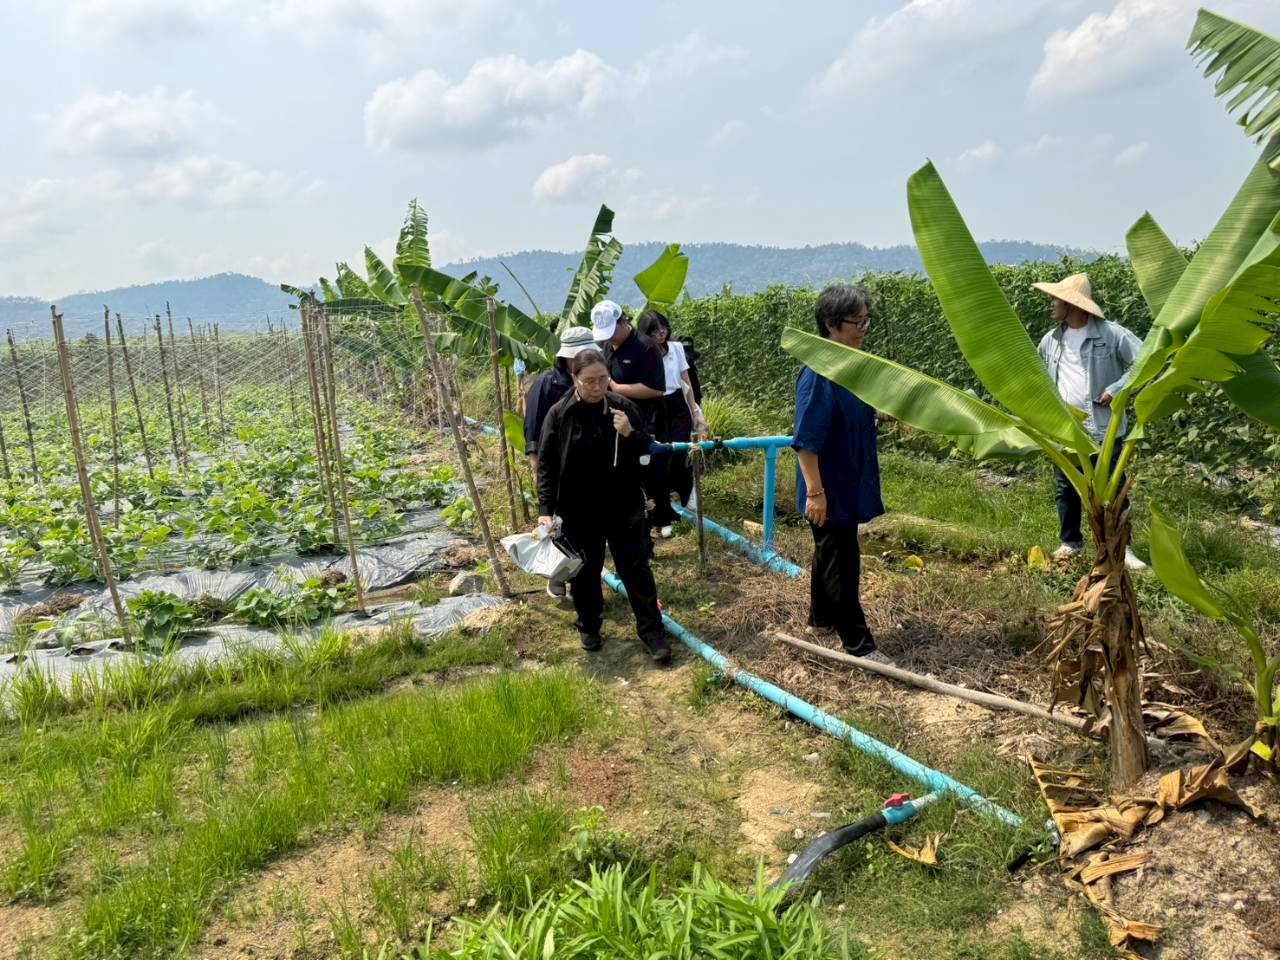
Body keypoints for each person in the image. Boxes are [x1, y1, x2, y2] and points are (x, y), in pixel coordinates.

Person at [536, 348, 672, 663]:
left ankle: (653, 634)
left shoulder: (623, 409)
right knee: (584, 572)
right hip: (578, 509)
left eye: (603, 379)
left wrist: (629, 433)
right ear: (574, 378)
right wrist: (546, 510)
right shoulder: (560, 414)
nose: (597, 387)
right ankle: (589, 626)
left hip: (622, 506)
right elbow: (547, 465)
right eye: (589, 381)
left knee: (636, 571)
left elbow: (647, 453)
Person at [793, 284, 892, 665]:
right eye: (857, 322)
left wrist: (877, 412)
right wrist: (816, 493)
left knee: (829, 553)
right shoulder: (820, 372)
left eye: (867, 320)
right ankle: (859, 645)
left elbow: (851, 412)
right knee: (843, 561)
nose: (864, 328)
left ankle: (820, 622)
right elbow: (806, 441)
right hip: (828, 484)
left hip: (846, 480)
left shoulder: (851, 367)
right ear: (832, 325)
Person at [1032, 272, 1147, 570]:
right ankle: (1070, 542)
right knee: (1066, 488)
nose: (1051, 304)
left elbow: (1146, 360)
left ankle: (1122, 548)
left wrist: (1116, 388)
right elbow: (1038, 378)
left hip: (1104, 428)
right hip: (1066, 428)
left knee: (1113, 488)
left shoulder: (1111, 334)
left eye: (1056, 299)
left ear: (1072, 304)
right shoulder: (1051, 340)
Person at [524, 326, 595, 599]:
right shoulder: (548, 384)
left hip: (588, 468)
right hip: (558, 466)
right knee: (559, 524)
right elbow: (533, 428)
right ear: (565, 358)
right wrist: (535, 463)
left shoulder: (595, 381)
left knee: (584, 527)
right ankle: (557, 577)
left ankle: (581, 578)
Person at [636, 309, 708, 537]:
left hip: (677, 404)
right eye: (655, 331)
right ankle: (662, 515)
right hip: (654, 404)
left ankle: (686, 495)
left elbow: (686, 382)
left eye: (663, 328)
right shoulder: (644, 352)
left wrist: (696, 410)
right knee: (658, 461)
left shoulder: (676, 348)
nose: (661, 334)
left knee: (680, 453)